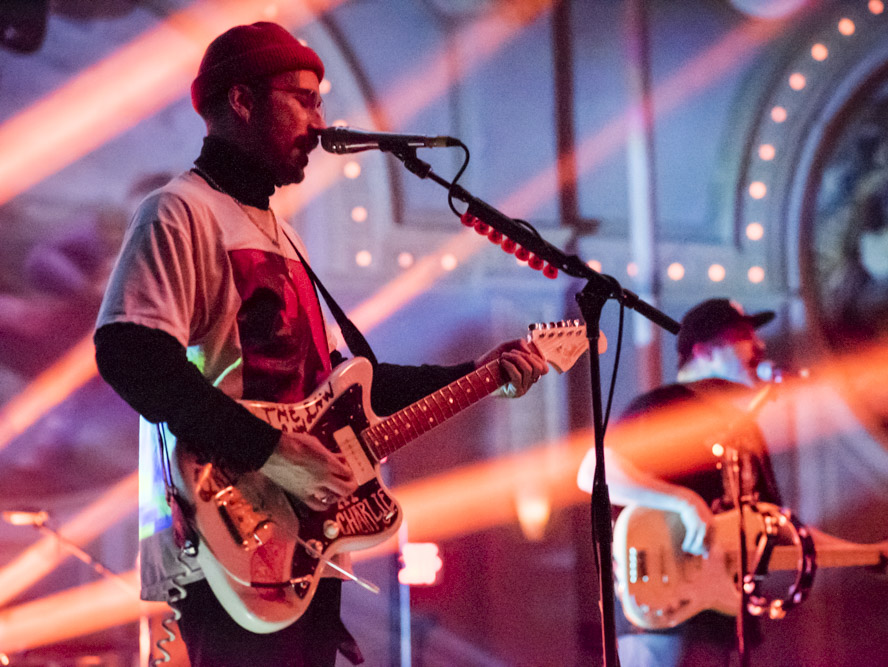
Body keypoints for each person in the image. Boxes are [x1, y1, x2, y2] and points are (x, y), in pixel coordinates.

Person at [93, 22, 548, 667]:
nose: (319, 122)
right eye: (303, 99)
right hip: (229, 531)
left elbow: (351, 382)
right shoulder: (179, 211)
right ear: (242, 101)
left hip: (301, 541)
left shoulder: (282, 235)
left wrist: (476, 373)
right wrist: (275, 454)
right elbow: (131, 355)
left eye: (321, 103)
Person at [578, 298, 784, 666]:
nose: (759, 345)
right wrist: (683, 502)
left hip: (724, 619)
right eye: (743, 335)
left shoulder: (746, 428)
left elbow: (779, 525)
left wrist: (869, 552)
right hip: (660, 622)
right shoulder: (666, 406)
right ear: (703, 351)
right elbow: (593, 470)